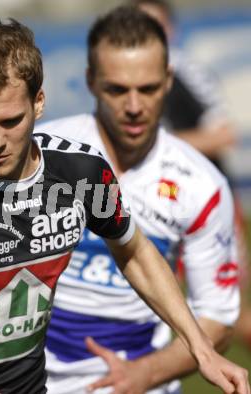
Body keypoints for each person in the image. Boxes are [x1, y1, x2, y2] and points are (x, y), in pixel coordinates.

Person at [0, 16, 249, 394]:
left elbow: (135, 251)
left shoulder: (81, 173)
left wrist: (200, 348)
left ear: (39, 103)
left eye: (11, 121)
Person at [35, 6, 247, 394]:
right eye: (117, 89)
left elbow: (217, 320)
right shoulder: (39, 155)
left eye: (147, 88)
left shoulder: (201, 185)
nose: (134, 106)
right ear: (90, 81)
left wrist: (143, 375)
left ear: (167, 81)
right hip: (28, 381)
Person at [132, 0, 251, 354]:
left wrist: (149, 143)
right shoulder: (131, 76)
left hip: (204, 205)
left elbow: (222, 133)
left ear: (172, 30)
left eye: (154, 25)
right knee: (150, 307)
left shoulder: (185, 71)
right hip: (155, 204)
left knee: (226, 313)